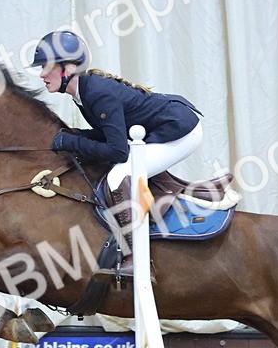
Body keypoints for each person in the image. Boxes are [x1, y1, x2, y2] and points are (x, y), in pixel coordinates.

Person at [30, 30, 204, 278]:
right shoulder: (83, 92)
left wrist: (72, 142)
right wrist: (75, 136)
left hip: (182, 131)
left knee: (118, 176)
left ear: (67, 68)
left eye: (46, 67)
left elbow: (117, 151)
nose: (42, 74)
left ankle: (136, 257)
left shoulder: (96, 93)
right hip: (163, 126)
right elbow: (108, 134)